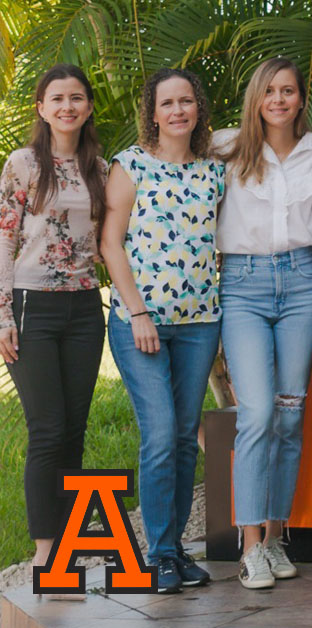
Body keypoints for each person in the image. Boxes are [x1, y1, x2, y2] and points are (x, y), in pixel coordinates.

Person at [212, 57, 312, 589]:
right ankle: (249, 548)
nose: (279, 100)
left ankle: (274, 537)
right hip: (242, 285)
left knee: (290, 415)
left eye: (288, 90)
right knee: (258, 412)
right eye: (270, 91)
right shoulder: (225, 148)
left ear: (301, 98)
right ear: (256, 98)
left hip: (304, 283)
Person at [101, 68, 224, 594]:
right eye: (167, 103)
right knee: (159, 436)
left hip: (200, 323)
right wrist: (138, 313)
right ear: (152, 112)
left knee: (183, 438)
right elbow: (110, 243)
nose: (178, 111)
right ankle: (158, 556)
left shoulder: (215, 171)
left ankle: (173, 552)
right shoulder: (130, 164)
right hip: (140, 323)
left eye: (186, 101)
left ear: (199, 109)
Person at [0, 64, 107, 597]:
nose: (68, 106)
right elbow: (4, 239)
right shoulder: (23, 164)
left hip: (86, 309)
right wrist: (2, 315)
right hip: (32, 307)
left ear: (88, 107)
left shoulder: (100, 167)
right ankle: (47, 553)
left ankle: (69, 546)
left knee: (74, 430)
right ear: (41, 107)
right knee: (47, 429)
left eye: (77, 98)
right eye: (58, 98)